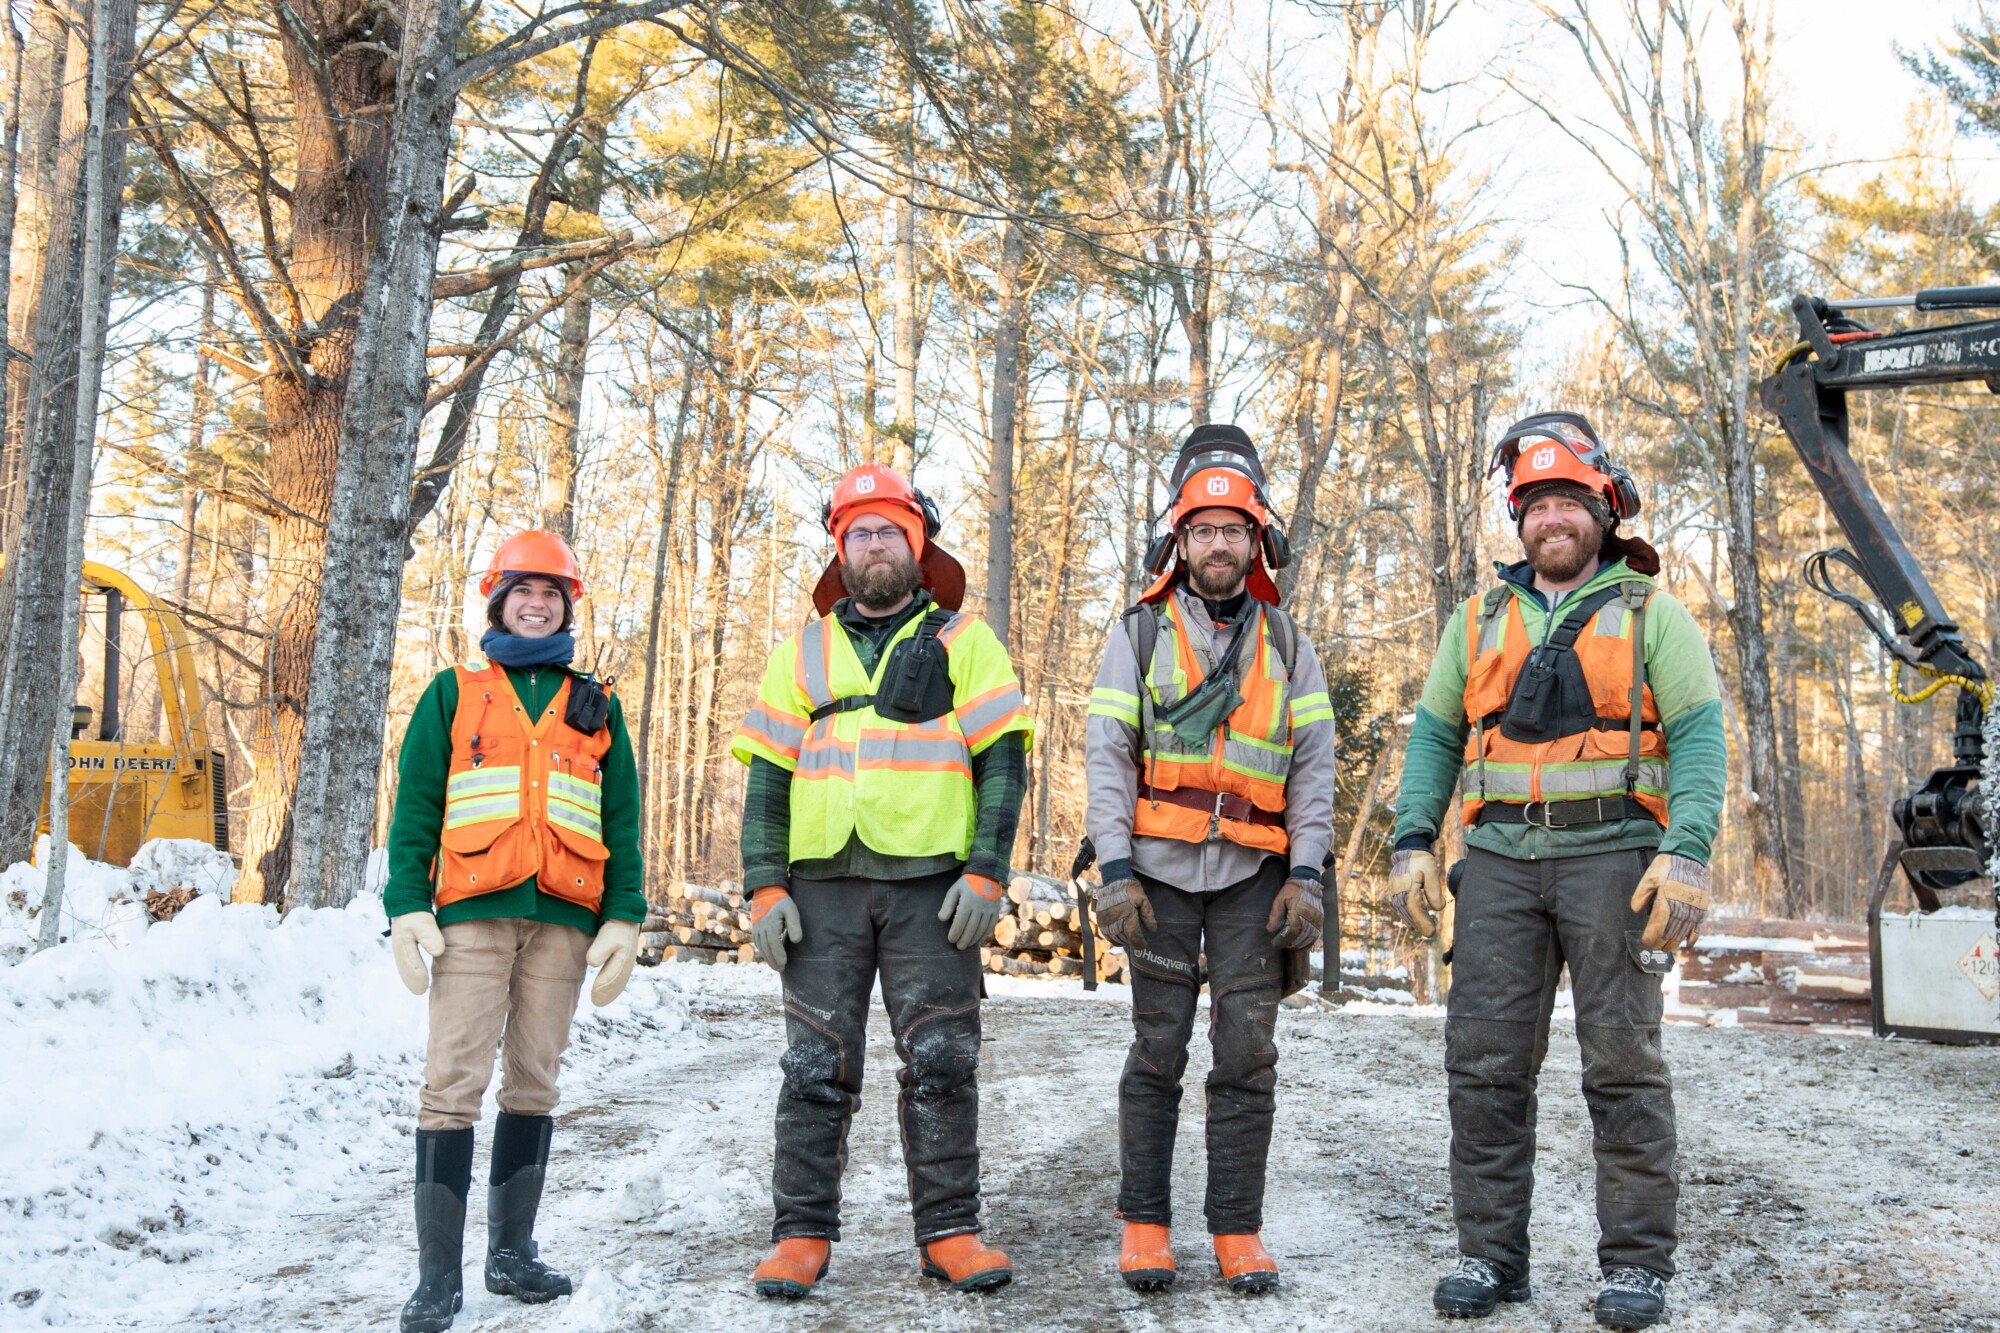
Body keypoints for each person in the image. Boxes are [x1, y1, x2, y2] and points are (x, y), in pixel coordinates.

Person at [1386, 413, 1726, 1330]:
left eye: (1570, 501)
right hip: (1496, 862)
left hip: (1615, 856)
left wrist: (1687, 850)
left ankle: (1637, 1266)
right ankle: (1491, 1255)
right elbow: (1434, 735)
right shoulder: (1478, 619)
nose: (1553, 521)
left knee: (1622, 1063)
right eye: (1536, 505)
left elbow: (1698, 734)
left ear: (1603, 510)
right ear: (1518, 519)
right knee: (1484, 1065)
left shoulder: (1653, 613)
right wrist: (1413, 839)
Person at [730, 464, 1034, 1300]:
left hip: (931, 888)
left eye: (889, 532)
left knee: (942, 1058)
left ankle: (951, 1230)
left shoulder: (964, 641)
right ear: (840, 548)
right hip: (819, 885)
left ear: (917, 541)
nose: (874, 547)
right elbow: (765, 774)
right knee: (812, 1067)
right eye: (858, 533)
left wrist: (987, 872)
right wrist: (763, 884)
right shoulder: (802, 650)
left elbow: (1004, 760)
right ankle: (799, 1236)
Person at [1083, 423, 1337, 1294]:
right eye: (1203, 529)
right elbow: (1108, 754)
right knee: (1158, 1047)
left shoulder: (1290, 644)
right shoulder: (1140, 635)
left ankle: (1237, 1227)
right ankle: (1144, 1222)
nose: (1219, 544)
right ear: (1179, 541)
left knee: (1247, 1053)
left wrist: (1308, 873)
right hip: (1155, 874)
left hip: (1254, 880)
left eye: (1234, 529)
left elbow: (1314, 768)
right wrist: (1114, 870)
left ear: (1255, 539)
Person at [383, 530, 643, 1333]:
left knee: (534, 1083)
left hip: (563, 924)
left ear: (569, 605)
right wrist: (405, 902)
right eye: (523, 590)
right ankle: (437, 1278)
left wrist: (625, 916)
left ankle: (512, 1253)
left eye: (553, 592)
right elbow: (417, 801)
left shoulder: (595, 701)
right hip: (471, 917)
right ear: (498, 598)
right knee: (451, 1086)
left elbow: (623, 818)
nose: (538, 603)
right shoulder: (453, 692)